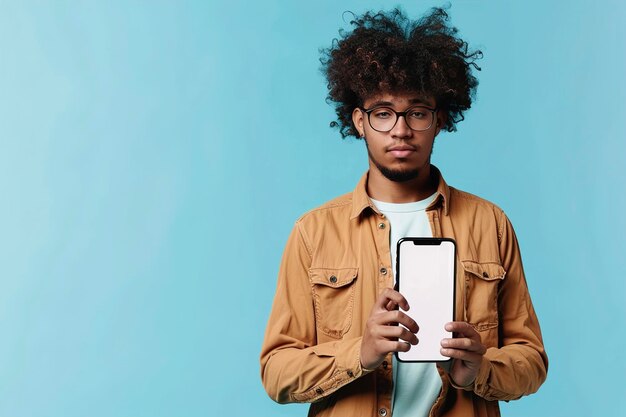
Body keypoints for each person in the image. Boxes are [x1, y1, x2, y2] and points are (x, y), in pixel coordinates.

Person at [260, 7, 547, 417]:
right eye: (382, 113)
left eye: (417, 112)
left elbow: (532, 361)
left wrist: (480, 370)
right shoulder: (313, 232)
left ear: (440, 119)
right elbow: (276, 373)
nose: (400, 129)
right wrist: (359, 353)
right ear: (359, 121)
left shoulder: (490, 224)